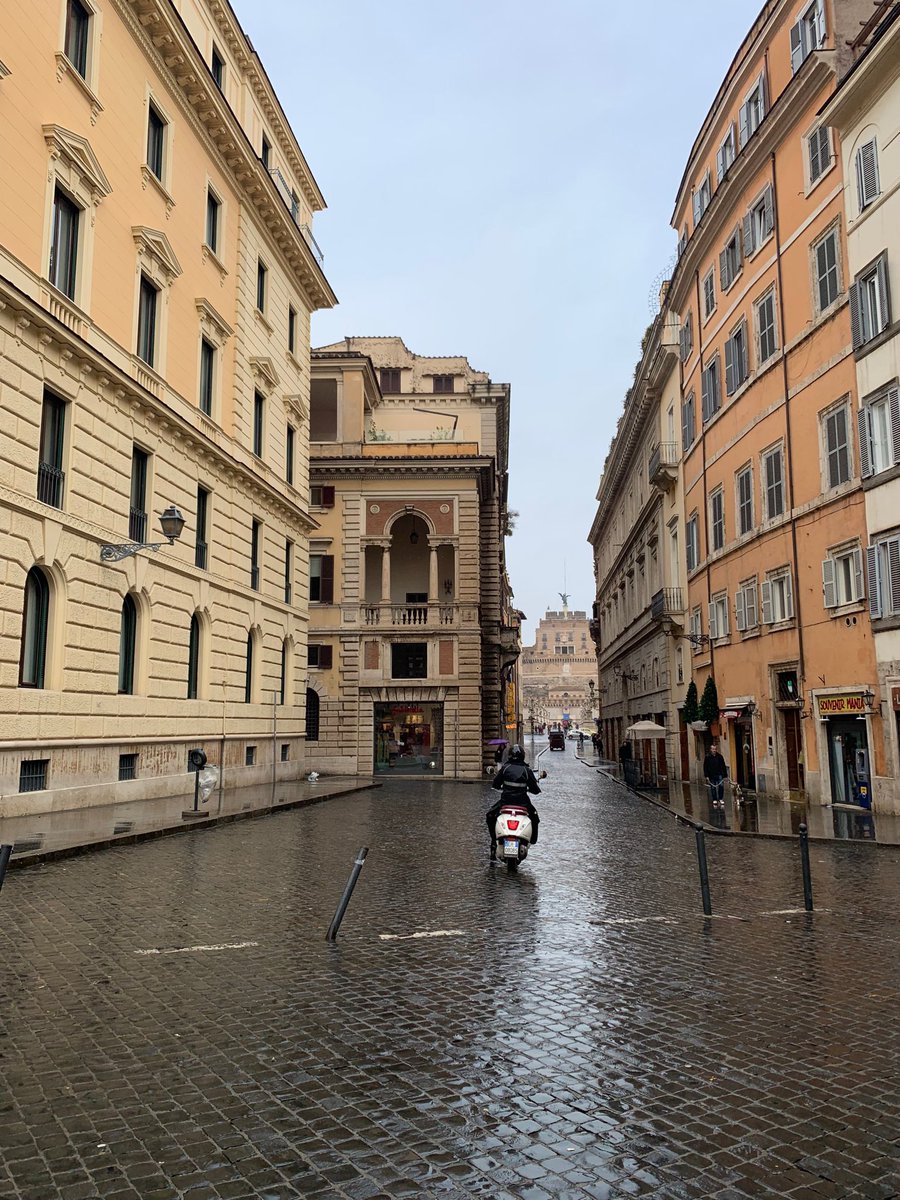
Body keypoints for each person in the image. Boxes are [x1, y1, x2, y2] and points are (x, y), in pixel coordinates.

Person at [486, 744, 541, 861]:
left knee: (490, 815)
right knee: (535, 818)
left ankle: (493, 843)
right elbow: (535, 790)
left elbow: (495, 784)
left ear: (510, 755)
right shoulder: (527, 770)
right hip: (523, 803)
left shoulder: (505, 768)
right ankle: (532, 840)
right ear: (522, 756)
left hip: (506, 801)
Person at [703, 742, 728, 807]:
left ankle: (720, 798)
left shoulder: (720, 756)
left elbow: (723, 765)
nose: (714, 750)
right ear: (711, 749)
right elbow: (705, 767)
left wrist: (725, 775)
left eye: (715, 749)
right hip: (711, 774)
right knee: (713, 787)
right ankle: (714, 799)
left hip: (719, 773)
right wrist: (706, 775)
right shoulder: (707, 757)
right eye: (713, 749)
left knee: (721, 786)